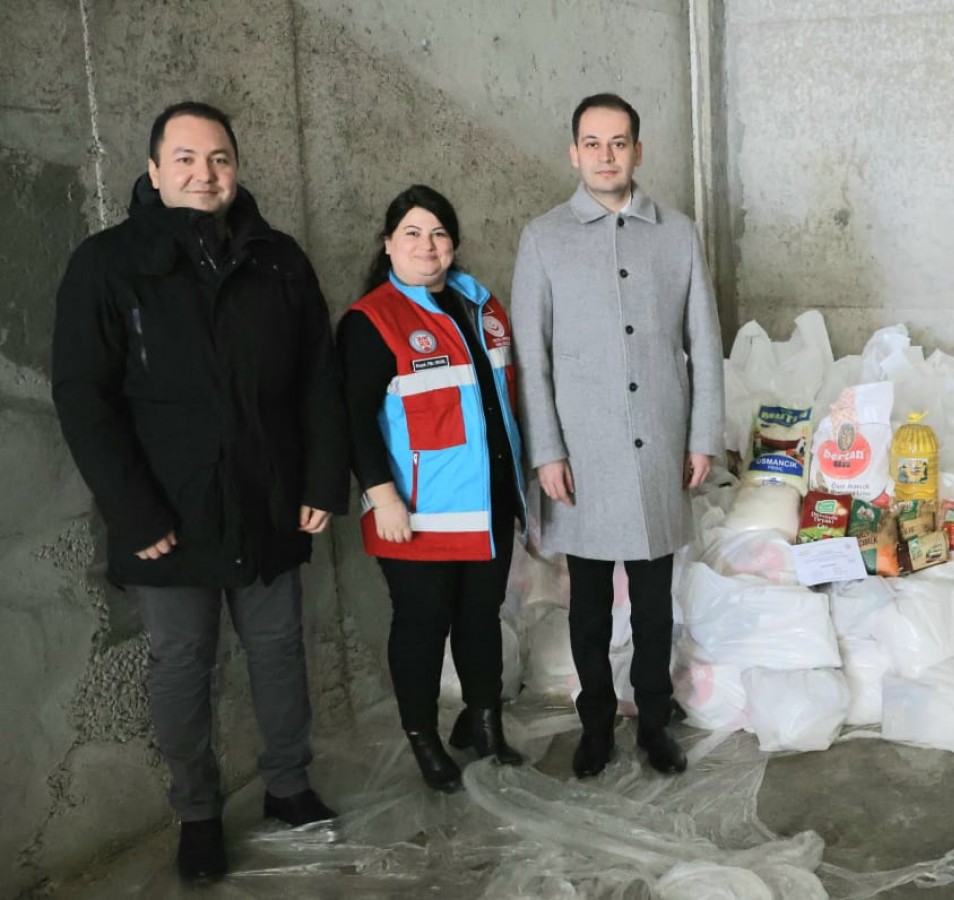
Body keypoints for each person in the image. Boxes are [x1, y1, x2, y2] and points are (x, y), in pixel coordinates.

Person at [50, 101, 347, 882]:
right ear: (153, 171)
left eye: (217, 158)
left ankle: (288, 786)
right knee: (183, 663)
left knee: (280, 651)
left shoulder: (278, 259)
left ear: (236, 168)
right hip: (168, 517)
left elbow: (319, 377)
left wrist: (321, 478)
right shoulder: (107, 264)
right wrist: (134, 511)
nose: (203, 173)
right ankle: (199, 814)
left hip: (269, 499)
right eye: (184, 159)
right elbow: (83, 397)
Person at [511, 93, 724, 779]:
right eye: (593, 143)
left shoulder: (678, 234)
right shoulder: (544, 238)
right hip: (582, 454)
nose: (606, 155)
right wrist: (545, 450)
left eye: (619, 141)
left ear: (639, 149)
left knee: (655, 599)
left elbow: (703, 343)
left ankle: (655, 722)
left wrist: (701, 438)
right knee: (591, 602)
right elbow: (531, 354)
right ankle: (596, 722)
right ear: (574, 153)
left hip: (661, 444)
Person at [338, 185, 528, 793]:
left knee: (481, 618)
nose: (428, 246)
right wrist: (381, 496)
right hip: (417, 514)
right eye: (413, 234)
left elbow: (503, 404)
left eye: (439, 234)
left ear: (454, 245)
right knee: (421, 626)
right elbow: (351, 417)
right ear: (388, 243)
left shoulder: (481, 307)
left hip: (490, 503)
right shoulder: (372, 321)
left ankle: (485, 723)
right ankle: (423, 737)